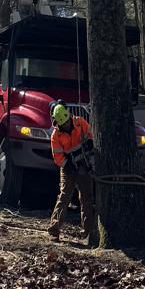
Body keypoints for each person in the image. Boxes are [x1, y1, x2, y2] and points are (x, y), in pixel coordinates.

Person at [48, 100, 97, 246]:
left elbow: (91, 137)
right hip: (68, 167)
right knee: (64, 197)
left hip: (84, 164)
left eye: (67, 122)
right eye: (63, 124)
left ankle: (88, 231)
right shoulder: (56, 136)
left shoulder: (80, 123)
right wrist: (69, 166)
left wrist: (89, 148)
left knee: (86, 198)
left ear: (69, 116)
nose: (66, 125)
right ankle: (54, 230)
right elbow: (58, 158)